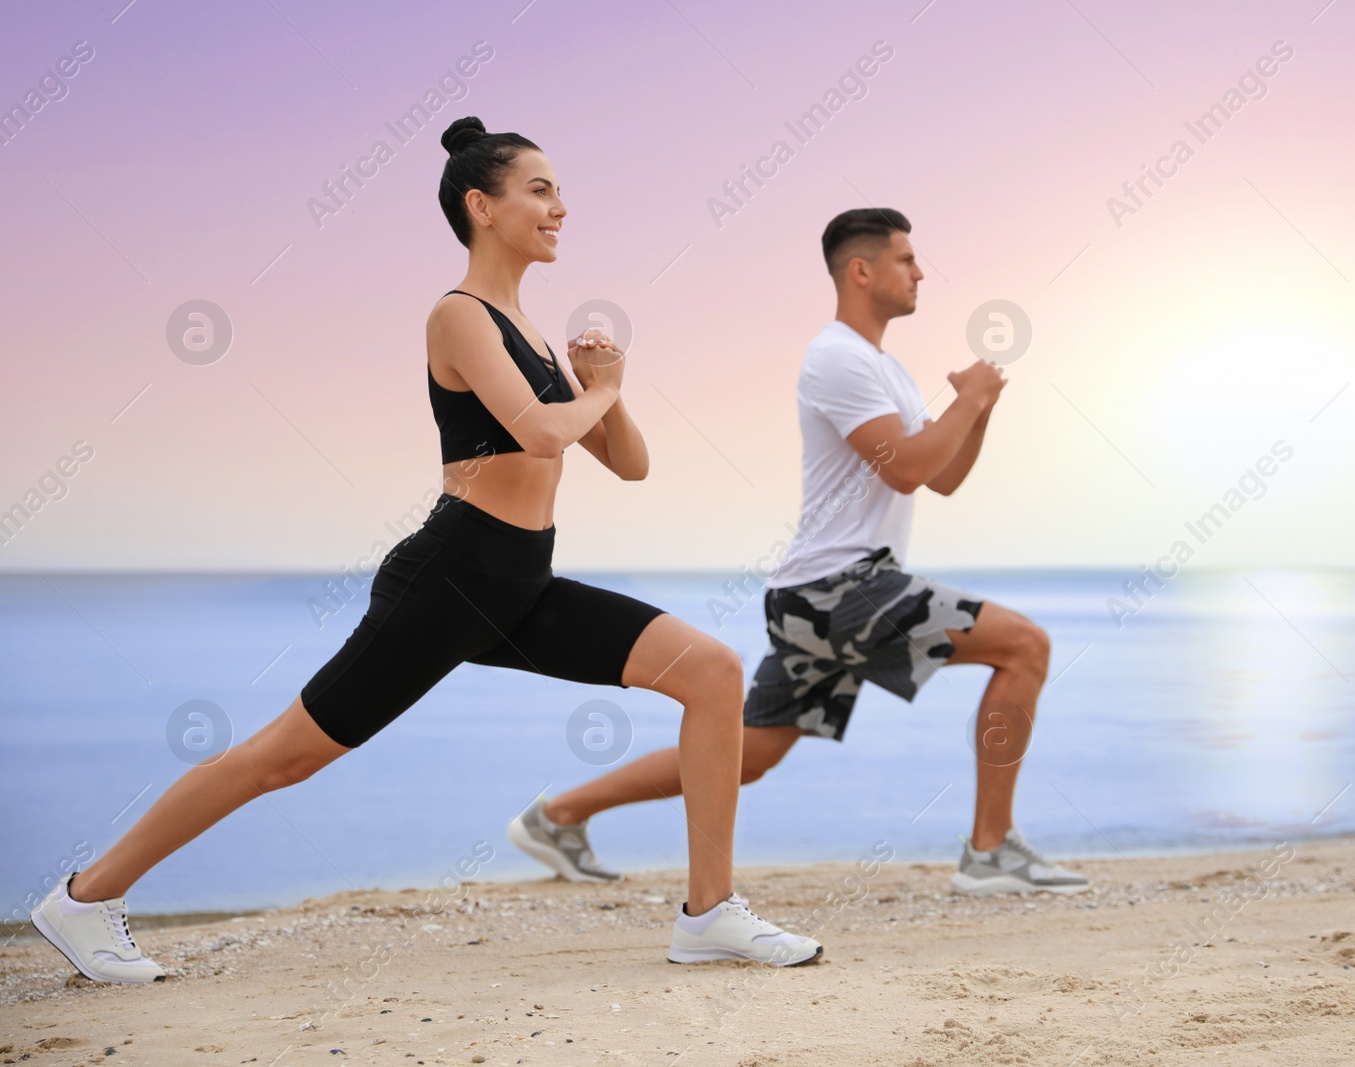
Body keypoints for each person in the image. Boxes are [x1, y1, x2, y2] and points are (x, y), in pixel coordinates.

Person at [29, 116, 821, 983]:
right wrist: (605, 389)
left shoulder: (534, 330)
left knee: (710, 671)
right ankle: (84, 896)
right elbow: (539, 434)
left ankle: (708, 915)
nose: (562, 206)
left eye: (559, 190)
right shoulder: (460, 316)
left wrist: (605, 391)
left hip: (523, 583)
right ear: (482, 205)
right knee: (281, 757)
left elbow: (629, 463)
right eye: (541, 189)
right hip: (450, 579)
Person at [506, 208, 1089, 897]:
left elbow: (942, 474)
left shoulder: (885, 368)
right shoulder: (835, 356)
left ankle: (559, 815)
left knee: (749, 752)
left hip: (819, 594)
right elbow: (902, 467)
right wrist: (971, 400)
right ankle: (990, 851)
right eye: (906, 258)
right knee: (1025, 646)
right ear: (861, 270)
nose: (920, 270)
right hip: (841, 589)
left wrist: (978, 409)